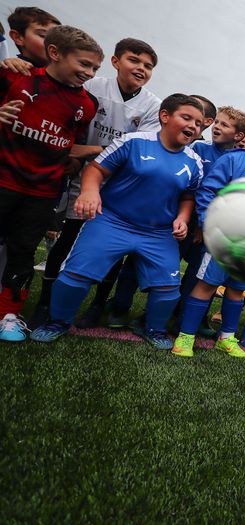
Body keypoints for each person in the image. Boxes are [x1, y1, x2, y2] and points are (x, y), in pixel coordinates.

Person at [29, 93, 204, 347]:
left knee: (168, 290)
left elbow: (188, 196)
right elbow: (95, 169)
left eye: (198, 124)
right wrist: (90, 191)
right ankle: (58, 321)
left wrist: (183, 218)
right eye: (186, 117)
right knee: (75, 277)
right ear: (164, 116)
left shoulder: (194, 162)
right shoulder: (134, 142)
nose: (193, 126)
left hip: (157, 232)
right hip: (112, 221)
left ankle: (154, 329)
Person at [23, 37, 162, 329]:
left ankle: (98, 304)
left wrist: (88, 151)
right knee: (66, 239)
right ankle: (45, 302)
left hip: (120, 185)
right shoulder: (92, 86)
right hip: (79, 176)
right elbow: (70, 125)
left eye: (148, 66)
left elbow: (134, 148)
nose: (141, 69)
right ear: (115, 61)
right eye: (134, 60)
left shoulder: (152, 105)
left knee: (111, 249)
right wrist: (75, 154)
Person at [0, 25, 101, 341]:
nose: (89, 72)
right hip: (4, 180)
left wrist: (101, 151)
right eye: (84, 64)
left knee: (23, 251)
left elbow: (67, 144)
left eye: (95, 68)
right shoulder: (14, 78)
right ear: (55, 53)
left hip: (42, 191)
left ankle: (8, 315)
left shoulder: (86, 104)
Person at [170, 113, 245, 358]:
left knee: (238, 290)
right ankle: (186, 336)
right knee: (206, 285)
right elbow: (207, 193)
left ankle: (226, 337)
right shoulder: (233, 159)